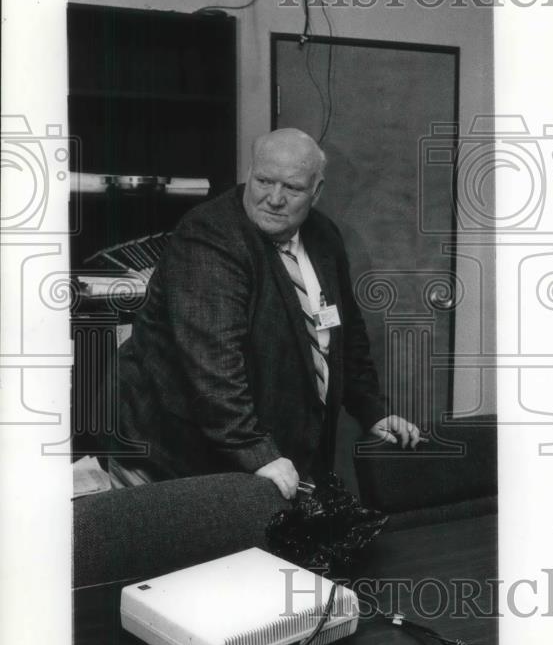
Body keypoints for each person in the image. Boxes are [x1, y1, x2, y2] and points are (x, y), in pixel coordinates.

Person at [108, 128, 420, 499]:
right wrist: (256, 452)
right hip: (174, 453)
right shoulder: (207, 237)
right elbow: (212, 364)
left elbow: (343, 334)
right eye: (263, 181)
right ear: (250, 173)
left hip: (262, 445)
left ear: (316, 191)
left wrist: (372, 410)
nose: (274, 198)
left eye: (291, 188)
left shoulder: (324, 236)